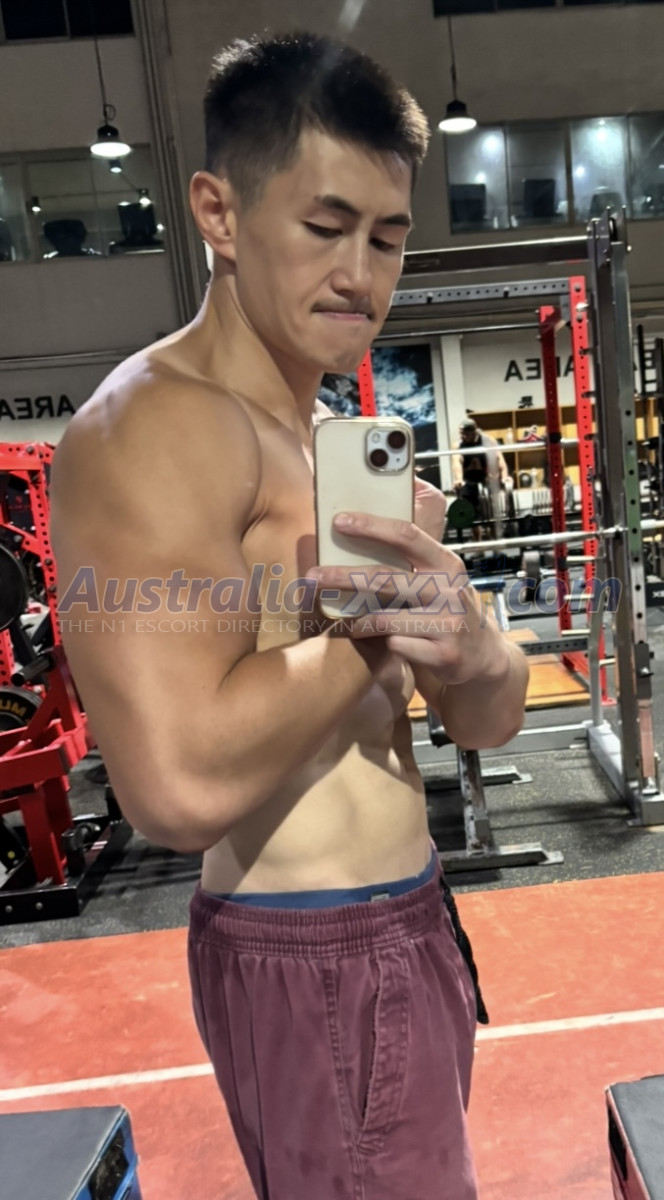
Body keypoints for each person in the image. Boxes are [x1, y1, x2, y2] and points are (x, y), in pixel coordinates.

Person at [50, 32, 529, 1200]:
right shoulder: (156, 426)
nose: (360, 273)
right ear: (218, 212)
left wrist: (468, 641)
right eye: (324, 226)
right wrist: (369, 631)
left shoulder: (325, 438)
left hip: (403, 917)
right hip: (319, 953)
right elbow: (174, 788)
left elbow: (488, 718)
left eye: (387, 236)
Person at [452, 417, 513, 539]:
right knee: (472, 513)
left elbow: (499, 459)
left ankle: (495, 540)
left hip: (486, 477)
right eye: (461, 433)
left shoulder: (487, 441)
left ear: (474, 432)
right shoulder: (458, 445)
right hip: (468, 478)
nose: (462, 436)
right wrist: (459, 479)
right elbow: (456, 462)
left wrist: (505, 476)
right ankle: (477, 541)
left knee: (491, 512)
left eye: (465, 434)